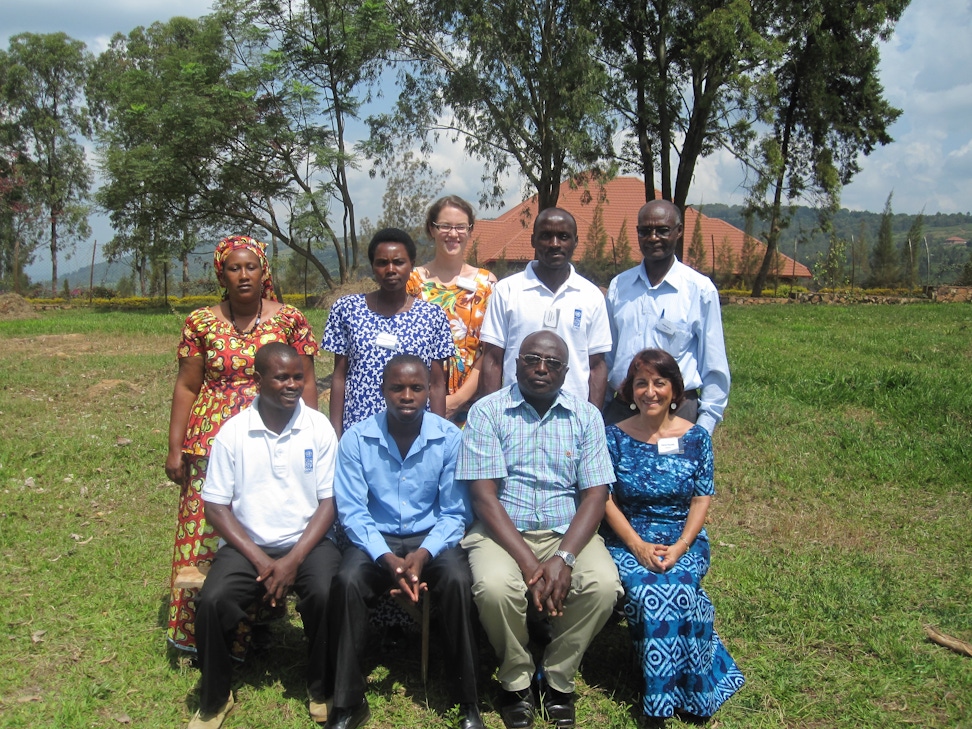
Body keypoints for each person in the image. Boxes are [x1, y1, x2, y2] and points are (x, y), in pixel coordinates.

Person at [458, 331, 622, 729]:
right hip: (501, 530)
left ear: (566, 372)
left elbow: (595, 496)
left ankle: (558, 678)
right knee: (496, 588)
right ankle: (515, 680)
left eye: (552, 363)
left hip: (566, 531)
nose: (541, 368)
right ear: (516, 363)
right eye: (532, 358)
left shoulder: (586, 416)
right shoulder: (487, 412)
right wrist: (533, 565)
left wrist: (564, 558)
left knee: (603, 585)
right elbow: (483, 497)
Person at [165, 234, 319, 655]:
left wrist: (312, 431)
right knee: (206, 533)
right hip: (209, 439)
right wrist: (175, 446)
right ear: (222, 273)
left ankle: (253, 622)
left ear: (264, 271)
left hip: (273, 436)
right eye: (234, 268)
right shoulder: (201, 321)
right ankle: (199, 630)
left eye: (251, 266)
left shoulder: (289, 319)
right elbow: (187, 385)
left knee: (260, 522)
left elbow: (304, 384)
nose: (243, 274)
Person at [189, 343, 341, 729]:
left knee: (327, 592)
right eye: (281, 377)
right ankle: (215, 698)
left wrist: (291, 561)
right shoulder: (234, 432)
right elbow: (216, 507)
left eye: (298, 377)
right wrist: (262, 560)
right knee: (215, 599)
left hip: (307, 542)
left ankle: (321, 687)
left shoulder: (318, 427)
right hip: (248, 546)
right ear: (258, 380)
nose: (292, 385)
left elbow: (329, 502)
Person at [328, 355, 481, 729]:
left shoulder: (449, 438)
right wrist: (385, 557)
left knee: (459, 581)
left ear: (430, 391)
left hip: (431, 538)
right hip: (374, 540)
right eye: (397, 388)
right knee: (346, 581)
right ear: (382, 391)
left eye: (416, 387)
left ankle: (467, 700)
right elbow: (352, 511)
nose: (407, 395)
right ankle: (347, 702)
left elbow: (454, 512)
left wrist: (423, 553)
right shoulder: (356, 438)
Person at [601, 348, 744, 724]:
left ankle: (684, 688)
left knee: (679, 588)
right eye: (641, 383)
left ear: (675, 391)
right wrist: (637, 545)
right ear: (629, 391)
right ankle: (660, 706)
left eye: (659, 383)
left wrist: (681, 547)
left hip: (683, 538)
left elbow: (701, 498)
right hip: (628, 537)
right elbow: (605, 499)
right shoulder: (611, 437)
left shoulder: (696, 438)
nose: (650, 391)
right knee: (650, 593)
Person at [604, 200, 729, 433]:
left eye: (662, 230)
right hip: (624, 409)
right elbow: (607, 358)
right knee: (617, 470)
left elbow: (714, 364)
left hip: (676, 411)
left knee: (673, 469)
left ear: (679, 231)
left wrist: (704, 426)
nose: (653, 238)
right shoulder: (619, 287)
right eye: (645, 231)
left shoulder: (699, 290)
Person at [321, 228, 454, 438]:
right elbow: (339, 377)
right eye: (382, 263)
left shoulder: (432, 316)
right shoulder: (347, 309)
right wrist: (336, 435)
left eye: (399, 262)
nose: (390, 269)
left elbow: (437, 384)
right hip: (359, 428)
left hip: (414, 430)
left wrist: (438, 435)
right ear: (373, 267)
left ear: (411, 265)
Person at [479, 208, 612, 406]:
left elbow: (597, 366)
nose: (554, 244)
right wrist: (490, 413)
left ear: (575, 241)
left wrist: (593, 417)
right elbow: (492, 360)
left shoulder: (591, 296)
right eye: (546, 236)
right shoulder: (506, 291)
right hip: (515, 410)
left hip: (573, 414)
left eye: (563, 237)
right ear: (533, 240)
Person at [407, 195, 497, 425]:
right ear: (431, 229)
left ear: (470, 230)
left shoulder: (486, 284)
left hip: (472, 407)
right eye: (445, 226)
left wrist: (458, 399)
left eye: (460, 227)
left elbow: (490, 351)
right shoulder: (412, 281)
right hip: (417, 404)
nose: (453, 234)